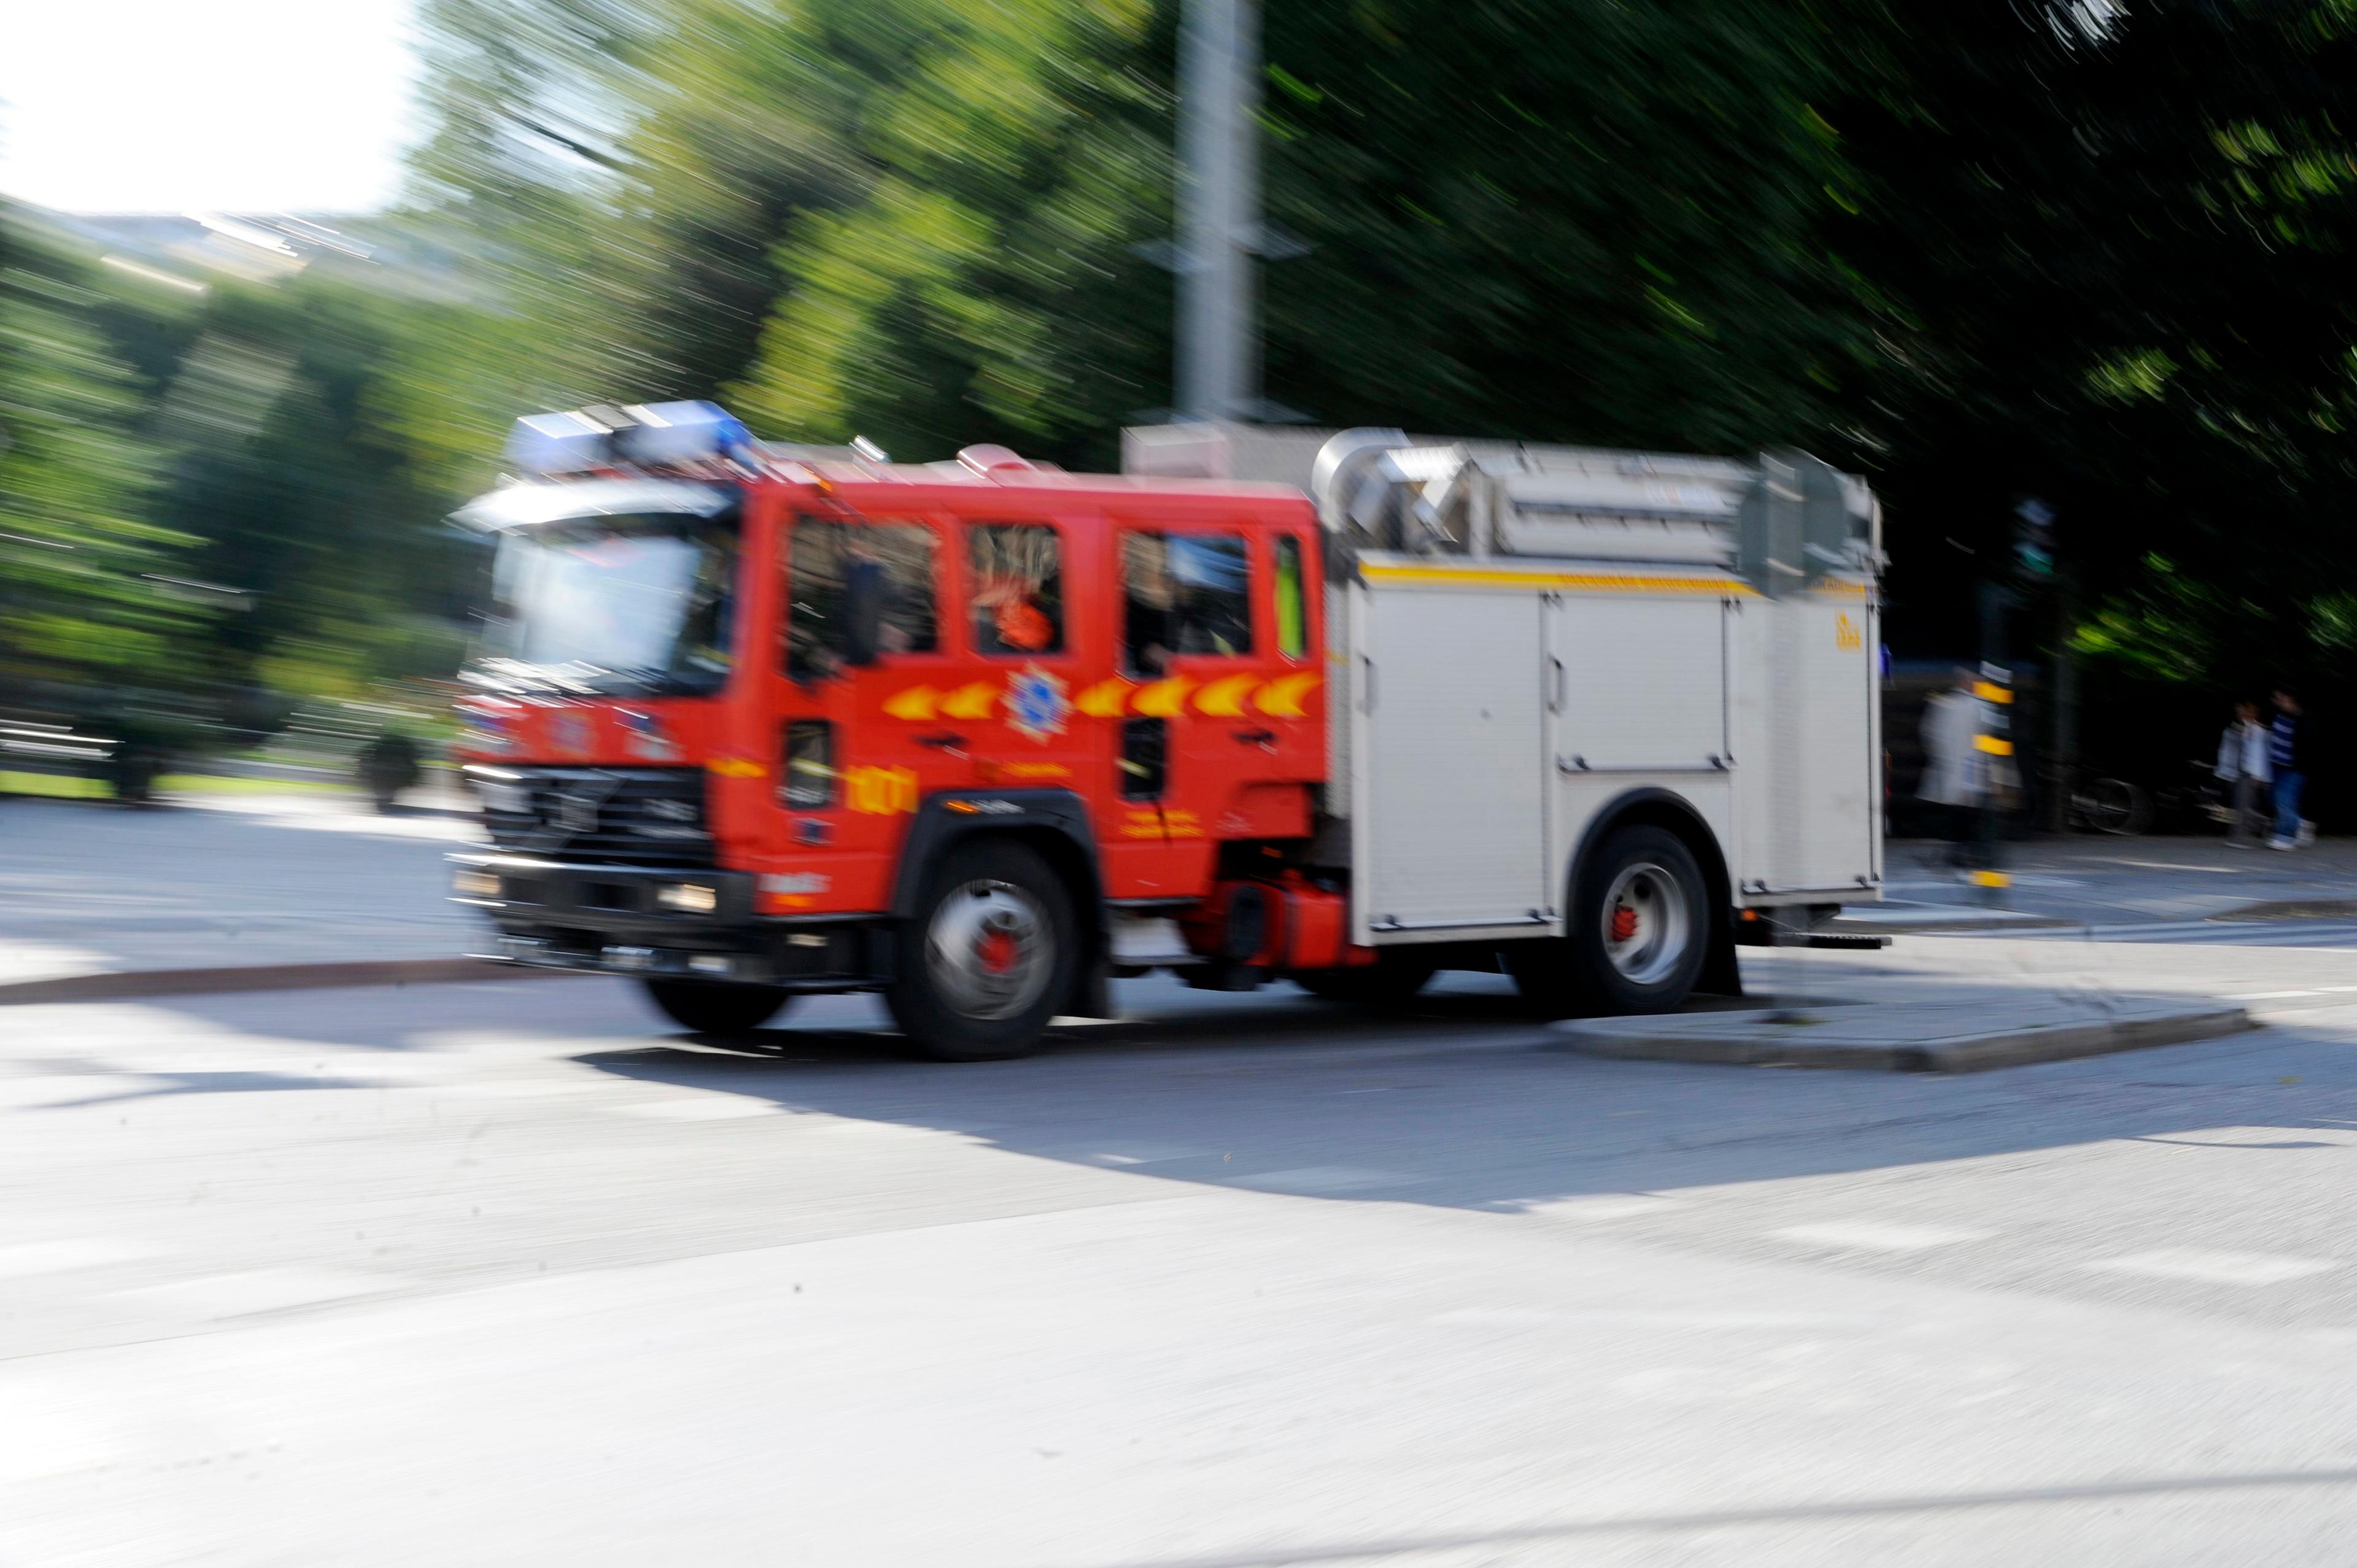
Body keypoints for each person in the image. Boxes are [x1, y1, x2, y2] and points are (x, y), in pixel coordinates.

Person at [1919, 667, 1984, 868]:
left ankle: (1955, 852)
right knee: (1969, 816)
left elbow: (1928, 733)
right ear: (1968, 683)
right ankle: (1962, 853)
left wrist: (1939, 758)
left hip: (1947, 771)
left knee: (1955, 816)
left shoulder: (1943, 704)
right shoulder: (1978, 706)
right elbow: (1987, 737)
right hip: (1972, 771)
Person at [2215, 700, 2272, 847]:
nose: (2239, 713)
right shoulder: (2238, 730)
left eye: (2242, 710)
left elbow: (2259, 755)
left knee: (2244, 806)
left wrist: (2259, 775)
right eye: (2239, 710)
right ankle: (2259, 827)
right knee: (2243, 805)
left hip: (2251, 774)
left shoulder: (2260, 733)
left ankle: (2241, 837)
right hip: (2238, 774)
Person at [2269, 689, 2307, 850]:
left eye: (2282, 698)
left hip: (2295, 768)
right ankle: (2300, 825)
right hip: (2278, 765)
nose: (2278, 702)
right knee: (2283, 800)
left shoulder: (2303, 719)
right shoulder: (2276, 714)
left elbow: (2307, 745)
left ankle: (2286, 836)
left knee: (2282, 799)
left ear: (2291, 700)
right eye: (2277, 698)